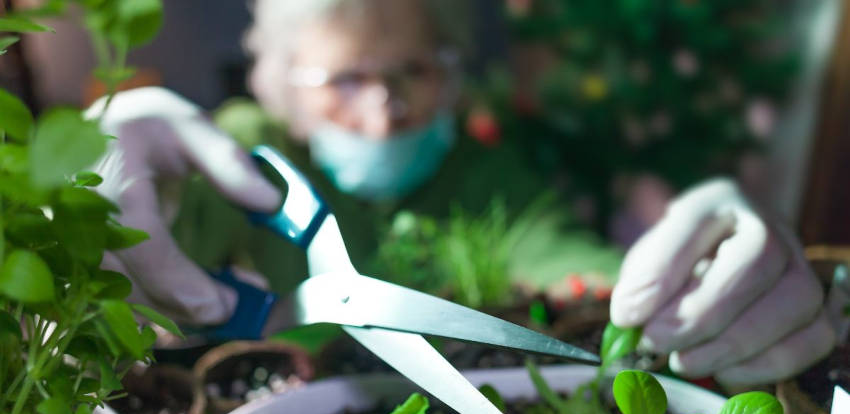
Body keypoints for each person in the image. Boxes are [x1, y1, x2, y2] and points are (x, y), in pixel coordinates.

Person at [88, 0, 834, 387]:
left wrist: (699, 279)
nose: (385, 110)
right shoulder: (254, 151)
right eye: (347, 78)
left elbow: (585, 268)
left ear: (452, 71)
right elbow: (166, 234)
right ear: (284, 82)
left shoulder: (485, 176)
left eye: (414, 71)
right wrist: (89, 193)